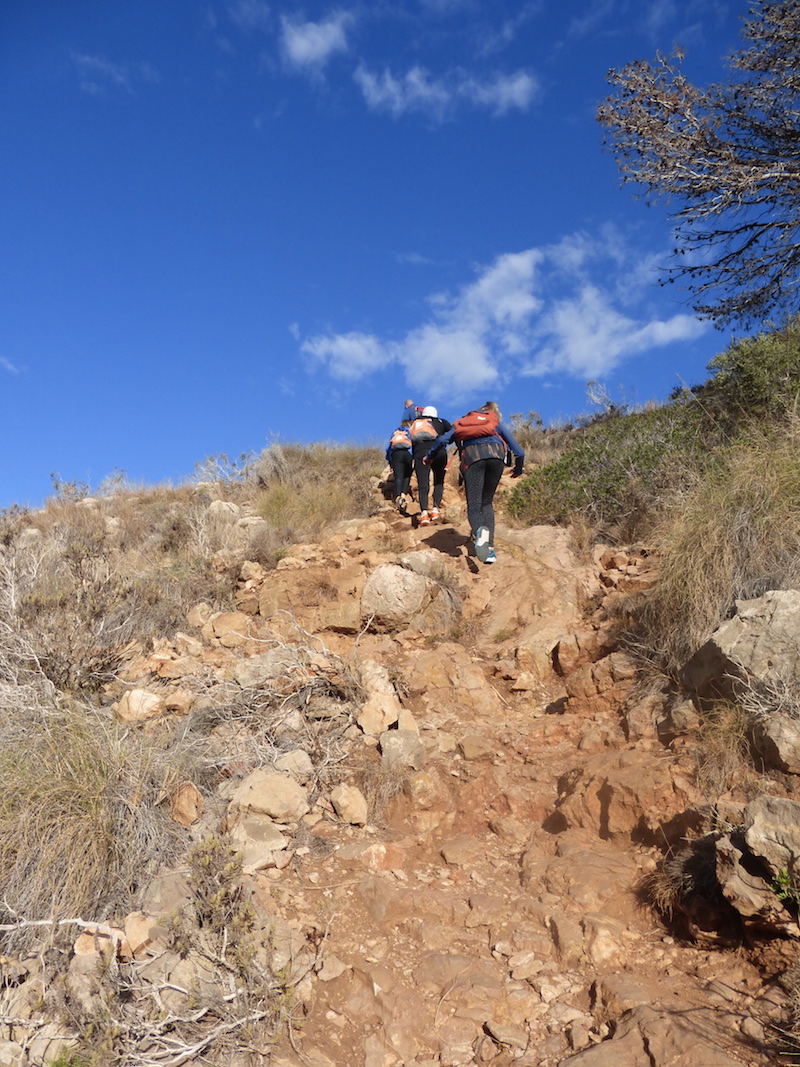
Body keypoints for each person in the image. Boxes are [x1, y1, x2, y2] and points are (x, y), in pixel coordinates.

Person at [424, 401, 524, 563]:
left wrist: (429, 457)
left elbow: (442, 441)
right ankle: (489, 549)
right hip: (496, 457)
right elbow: (519, 451)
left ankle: (479, 533)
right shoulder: (494, 422)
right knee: (487, 503)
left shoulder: (462, 423)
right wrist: (518, 469)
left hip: (472, 459)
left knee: (474, 505)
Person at [408, 405, 453, 526]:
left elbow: (411, 441)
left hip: (420, 452)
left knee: (423, 484)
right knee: (439, 481)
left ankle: (423, 514)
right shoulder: (441, 422)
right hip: (439, 452)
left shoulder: (416, 423)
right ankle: (435, 510)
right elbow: (454, 434)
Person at [385, 420, 414, 512]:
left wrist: (390, 460)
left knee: (398, 477)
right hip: (407, 454)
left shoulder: (395, 433)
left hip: (396, 455)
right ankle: (403, 495)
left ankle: (397, 498)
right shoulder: (410, 431)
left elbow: (388, 448)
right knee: (407, 476)